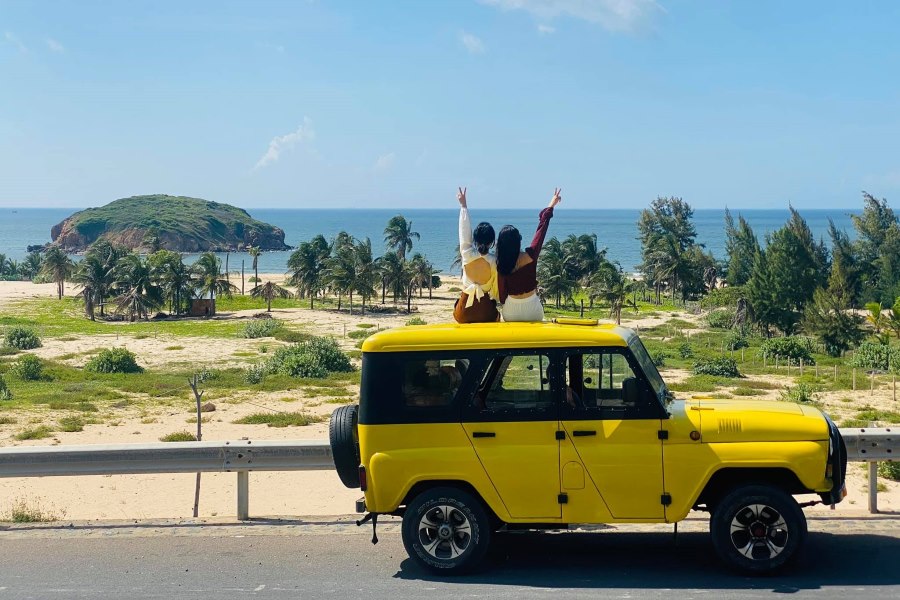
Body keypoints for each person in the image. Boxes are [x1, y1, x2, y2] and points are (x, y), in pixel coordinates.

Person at [496, 188, 562, 322]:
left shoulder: (501, 264)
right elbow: (541, 230)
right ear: (518, 241)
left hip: (511, 311)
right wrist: (552, 204)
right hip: (533, 310)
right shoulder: (531, 256)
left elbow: (502, 296)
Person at [453, 187, 500, 323]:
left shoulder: (467, 254)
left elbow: (464, 232)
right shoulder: (494, 261)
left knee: (456, 308)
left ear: (475, 240)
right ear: (492, 242)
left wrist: (463, 206)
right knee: (497, 316)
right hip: (485, 312)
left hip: (463, 312)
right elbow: (495, 290)